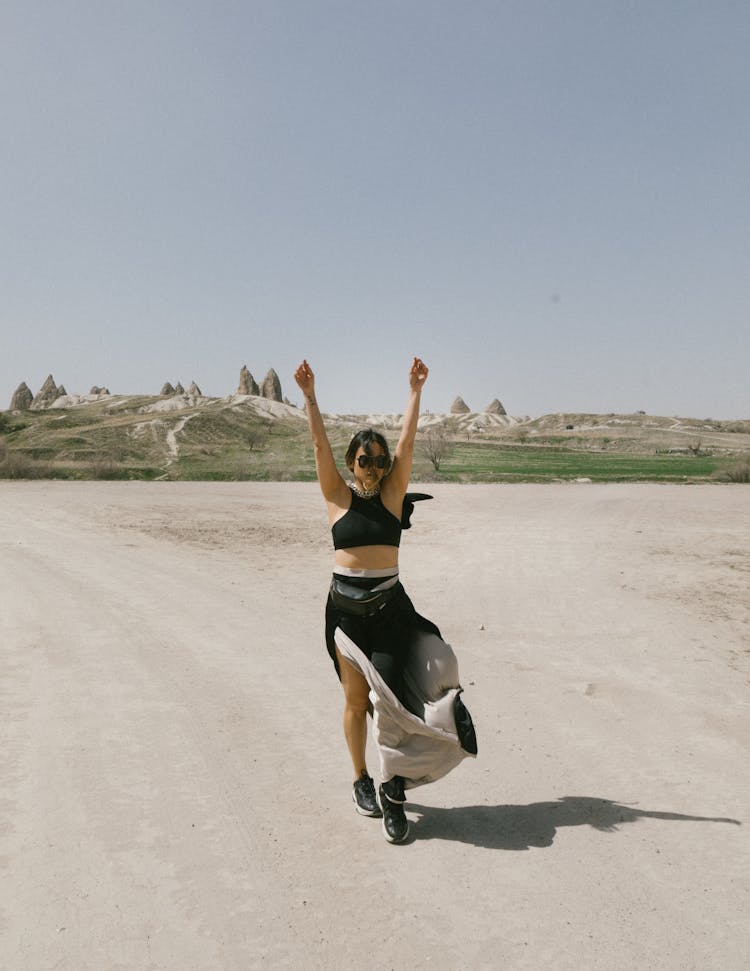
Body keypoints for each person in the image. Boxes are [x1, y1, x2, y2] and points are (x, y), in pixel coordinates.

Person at [294, 357, 476, 844]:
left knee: (391, 705)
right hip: (346, 620)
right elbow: (317, 444)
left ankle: (393, 792)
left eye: (379, 460)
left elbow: (407, 443)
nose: (374, 466)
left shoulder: (393, 496)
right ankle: (361, 780)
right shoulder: (337, 496)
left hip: (388, 615)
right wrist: (311, 396)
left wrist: (415, 391)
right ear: (352, 463)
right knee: (355, 703)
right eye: (364, 459)